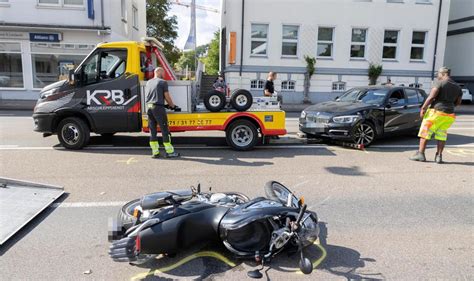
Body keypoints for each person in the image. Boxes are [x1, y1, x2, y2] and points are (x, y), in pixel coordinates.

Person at [409, 67, 462, 163]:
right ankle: (439, 156)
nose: (438, 76)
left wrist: (423, 108)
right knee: (441, 135)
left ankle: (421, 154)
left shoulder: (440, 82)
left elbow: (431, 96)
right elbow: (458, 103)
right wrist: (448, 106)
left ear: (442, 73)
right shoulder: (457, 87)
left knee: (425, 132)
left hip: (436, 112)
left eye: (438, 74)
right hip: (449, 115)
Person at [145, 67, 180, 158]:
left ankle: (155, 152)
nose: (164, 74)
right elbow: (167, 96)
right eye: (163, 72)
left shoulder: (149, 82)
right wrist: (172, 106)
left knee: (152, 130)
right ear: (159, 72)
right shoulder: (162, 82)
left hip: (149, 107)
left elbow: (152, 97)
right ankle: (169, 151)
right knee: (165, 130)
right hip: (158, 108)